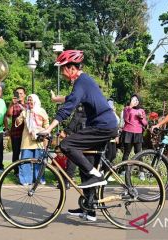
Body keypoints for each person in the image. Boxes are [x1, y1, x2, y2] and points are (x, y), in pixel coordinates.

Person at [41, 50, 118, 221]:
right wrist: (56, 100)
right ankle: (89, 209)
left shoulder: (81, 83)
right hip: (101, 125)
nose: (62, 73)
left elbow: (68, 109)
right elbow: (70, 99)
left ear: (71, 68)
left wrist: (49, 128)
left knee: (67, 145)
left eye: (63, 69)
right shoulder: (83, 82)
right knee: (86, 163)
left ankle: (96, 175)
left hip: (103, 126)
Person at [15, 94, 49, 185]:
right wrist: (18, 120)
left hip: (39, 140)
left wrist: (45, 135)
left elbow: (46, 125)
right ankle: (26, 180)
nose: (29, 102)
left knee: (39, 161)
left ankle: (39, 179)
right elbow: (18, 122)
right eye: (28, 100)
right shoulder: (25, 112)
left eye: (31, 100)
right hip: (27, 140)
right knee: (25, 161)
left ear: (36, 101)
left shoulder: (41, 111)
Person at [5, 87, 27, 175]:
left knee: (25, 153)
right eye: (18, 93)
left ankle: (24, 171)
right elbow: (8, 115)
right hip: (16, 133)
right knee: (16, 153)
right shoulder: (13, 105)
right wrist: (11, 104)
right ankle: (16, 171)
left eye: (21, 93)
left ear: (24, 95)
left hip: (26, 134)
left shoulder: (28, 105)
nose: (20, 95)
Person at [121, 94, 148, 161]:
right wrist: (130, 107)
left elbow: (145, 123)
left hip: (138, 133)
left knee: (138, 152)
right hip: (128, 132)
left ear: (139, 101)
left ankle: (141, 170)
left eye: (136, 100)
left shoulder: (141, 110)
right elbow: (126, 119)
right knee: (127, 152)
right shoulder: (127, 108)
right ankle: (123, 170)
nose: (135, 102)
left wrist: (141, 118)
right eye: (133, 100)